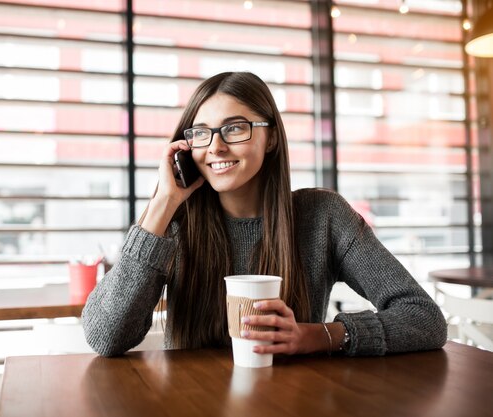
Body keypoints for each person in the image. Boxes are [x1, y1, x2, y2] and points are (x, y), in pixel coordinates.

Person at [82, 71, 447, 357]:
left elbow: (424, 317)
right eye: (201, 133)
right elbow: (103, 336)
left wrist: (319, 336)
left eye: (235, 128)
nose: (216, 146)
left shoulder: (323, 216)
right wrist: (163, 202)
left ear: (270, 138)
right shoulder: (175, 224)